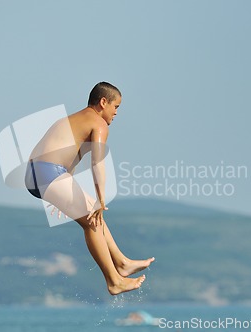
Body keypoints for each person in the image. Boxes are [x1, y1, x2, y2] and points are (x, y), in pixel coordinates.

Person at [25, 82, 154, 295]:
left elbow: (63, 153)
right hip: (49, 173)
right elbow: (97, 163)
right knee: (92, 219)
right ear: (103, 102)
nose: (116, 113)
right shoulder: (98, 124)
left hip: (37, 173)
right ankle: (114, 280)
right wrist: (100, 199)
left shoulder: (70, 120)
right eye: (116, 107)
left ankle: (122, 263)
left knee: (94, 217)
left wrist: (62, 189)